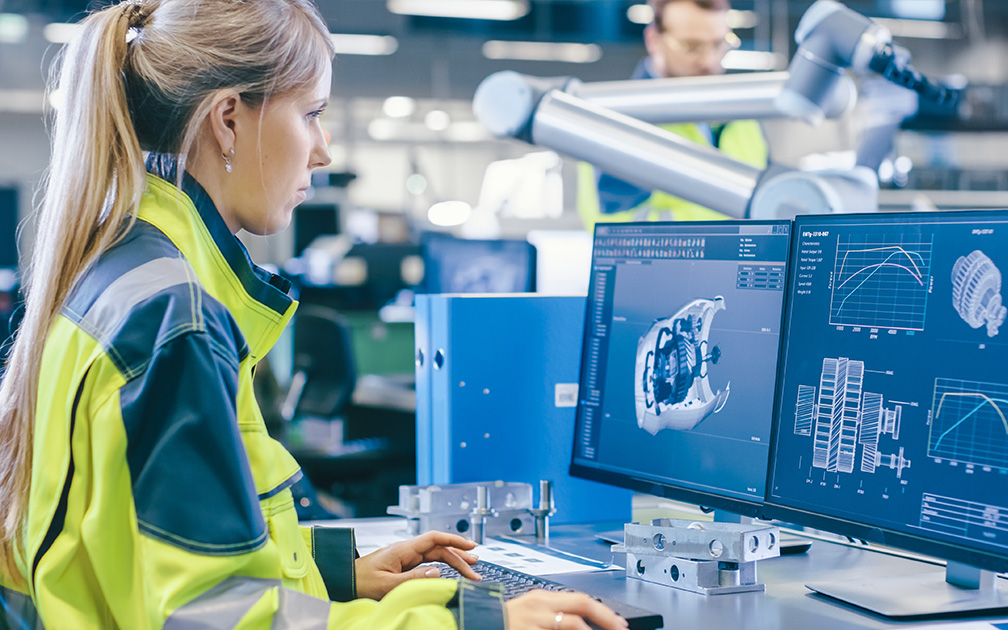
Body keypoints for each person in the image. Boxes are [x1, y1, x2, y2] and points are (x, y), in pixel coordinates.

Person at [0, 2, 625, 629]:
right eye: (312, 114)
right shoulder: (177, 319)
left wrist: (335, 572)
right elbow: (215, 620)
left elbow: (150, 549)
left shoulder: (122, 271)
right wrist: (475, 622)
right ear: (228, 121)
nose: (322, 151)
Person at [577, 0, 768, 228]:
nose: (708, 61)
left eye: (718, 44)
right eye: (691, 46)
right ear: (653, 40)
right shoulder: (620, 121)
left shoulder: (743, 117)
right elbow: (610, 228)